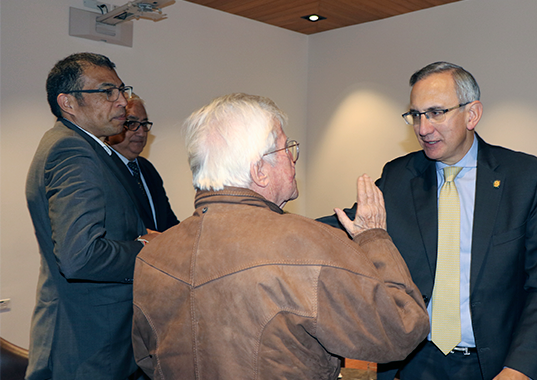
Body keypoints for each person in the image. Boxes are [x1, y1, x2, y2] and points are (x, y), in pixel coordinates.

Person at [131, 93, 430, 380]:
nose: (293, 159)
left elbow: (147, 358)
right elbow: (401, 329)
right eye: (287, 148)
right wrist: (374, 237)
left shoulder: (153, 256)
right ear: (260, 170)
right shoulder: (309, 244)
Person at [319, 62, 537, 380]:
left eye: (436, 113)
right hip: (416, 361)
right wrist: (271, 222)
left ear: (472, 114)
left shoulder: (524, 177)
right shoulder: (400, 176)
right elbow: (351, 225)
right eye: (416, 115)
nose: (423, 128)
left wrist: (519, 369)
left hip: (493, 365)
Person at [25, 52, 158, 380]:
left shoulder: (84, 147)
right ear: (68, 102)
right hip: (88, 347)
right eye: (107, 91)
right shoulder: (72, 151)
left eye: (122, 90)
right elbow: (80, 256)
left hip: (95, 341)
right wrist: (144, 247)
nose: (122, 102)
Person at [106, 94, 179, 231]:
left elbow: (168, 223)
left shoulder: (147, 168)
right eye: (131, 123)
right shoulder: (103, 169)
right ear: (111, 125)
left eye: (144, 124)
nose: (141, 133)